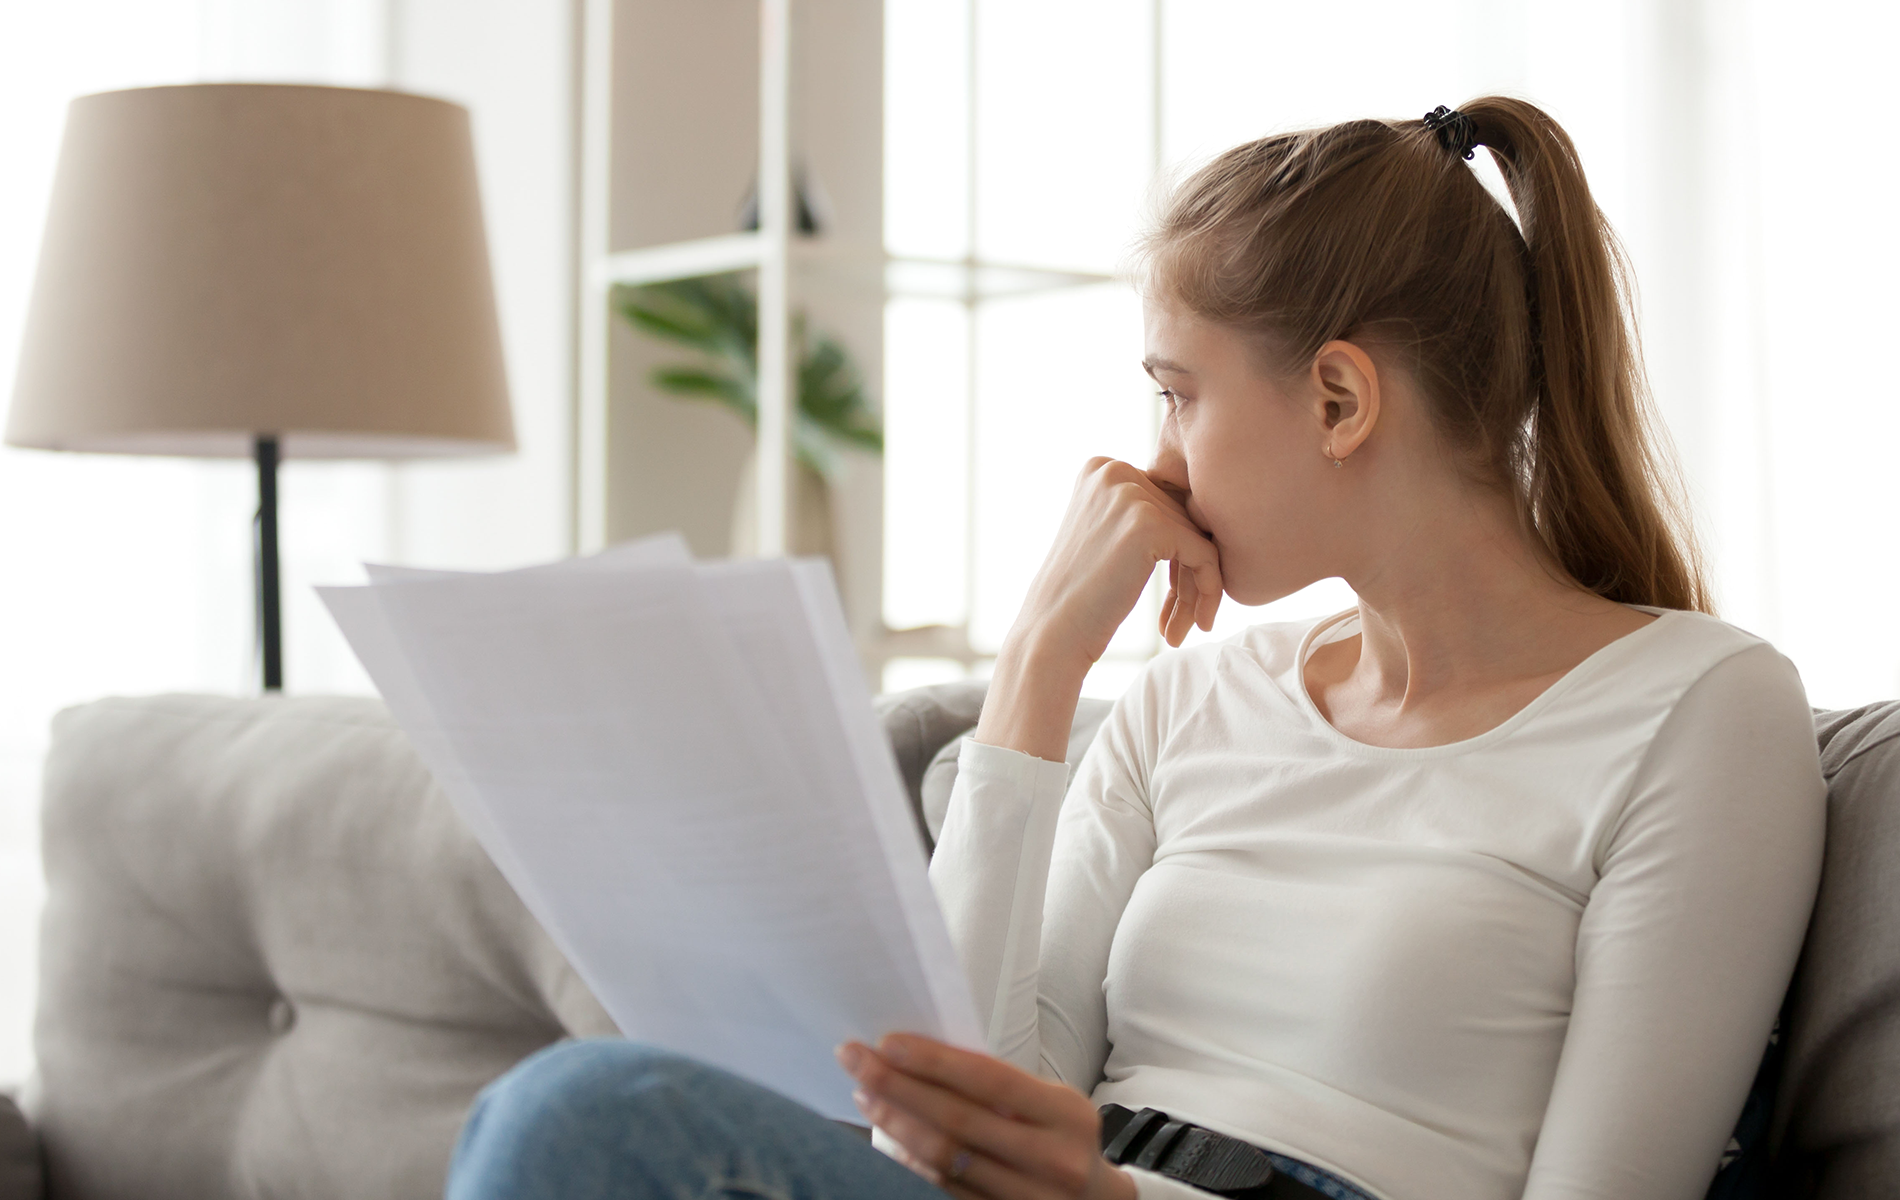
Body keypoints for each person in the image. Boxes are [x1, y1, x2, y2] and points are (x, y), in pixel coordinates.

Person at [444, 98, 1825, 1200]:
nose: (1150, 462)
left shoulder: (1700, 713)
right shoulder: (1186, 702)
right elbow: (945, 1119)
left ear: (1339, 397)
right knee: (570, 1117)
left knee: (587, 1119)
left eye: (1177, 395)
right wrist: (1040, 668)